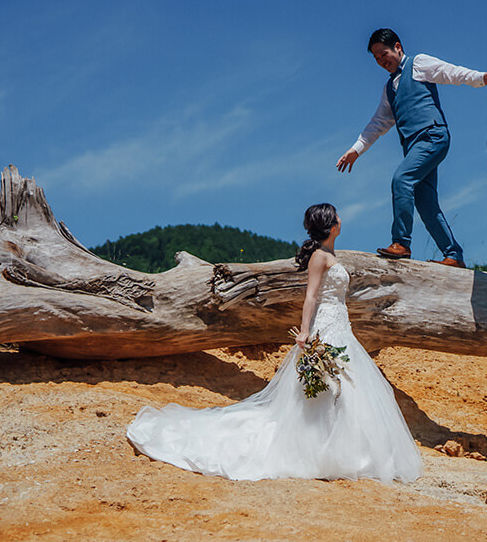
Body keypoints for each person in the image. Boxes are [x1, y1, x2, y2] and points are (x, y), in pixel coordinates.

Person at [125, 204, 422, 483]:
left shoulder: (331, 254)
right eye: (337, 216)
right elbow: (311, 296)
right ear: (330, 226)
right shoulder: (320, 257)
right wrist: (305, 332)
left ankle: (345, 449)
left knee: (345, 386)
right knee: (328, 384)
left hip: (341, 324)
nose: (341, 219)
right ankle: (322, 448)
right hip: (326, 326)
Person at [337, 28, 487, 268]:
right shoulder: (389, 89)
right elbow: (378, 123)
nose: (382, 62)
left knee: (401, 179)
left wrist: (480, 78)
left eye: (384, 55)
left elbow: (449, 72)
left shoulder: (418, 64)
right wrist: (356, 149)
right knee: (425, 202)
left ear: (398, 47)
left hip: (432, 136)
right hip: (413, 147)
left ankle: (401, 243)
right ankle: (453, 255)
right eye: (377, 59)